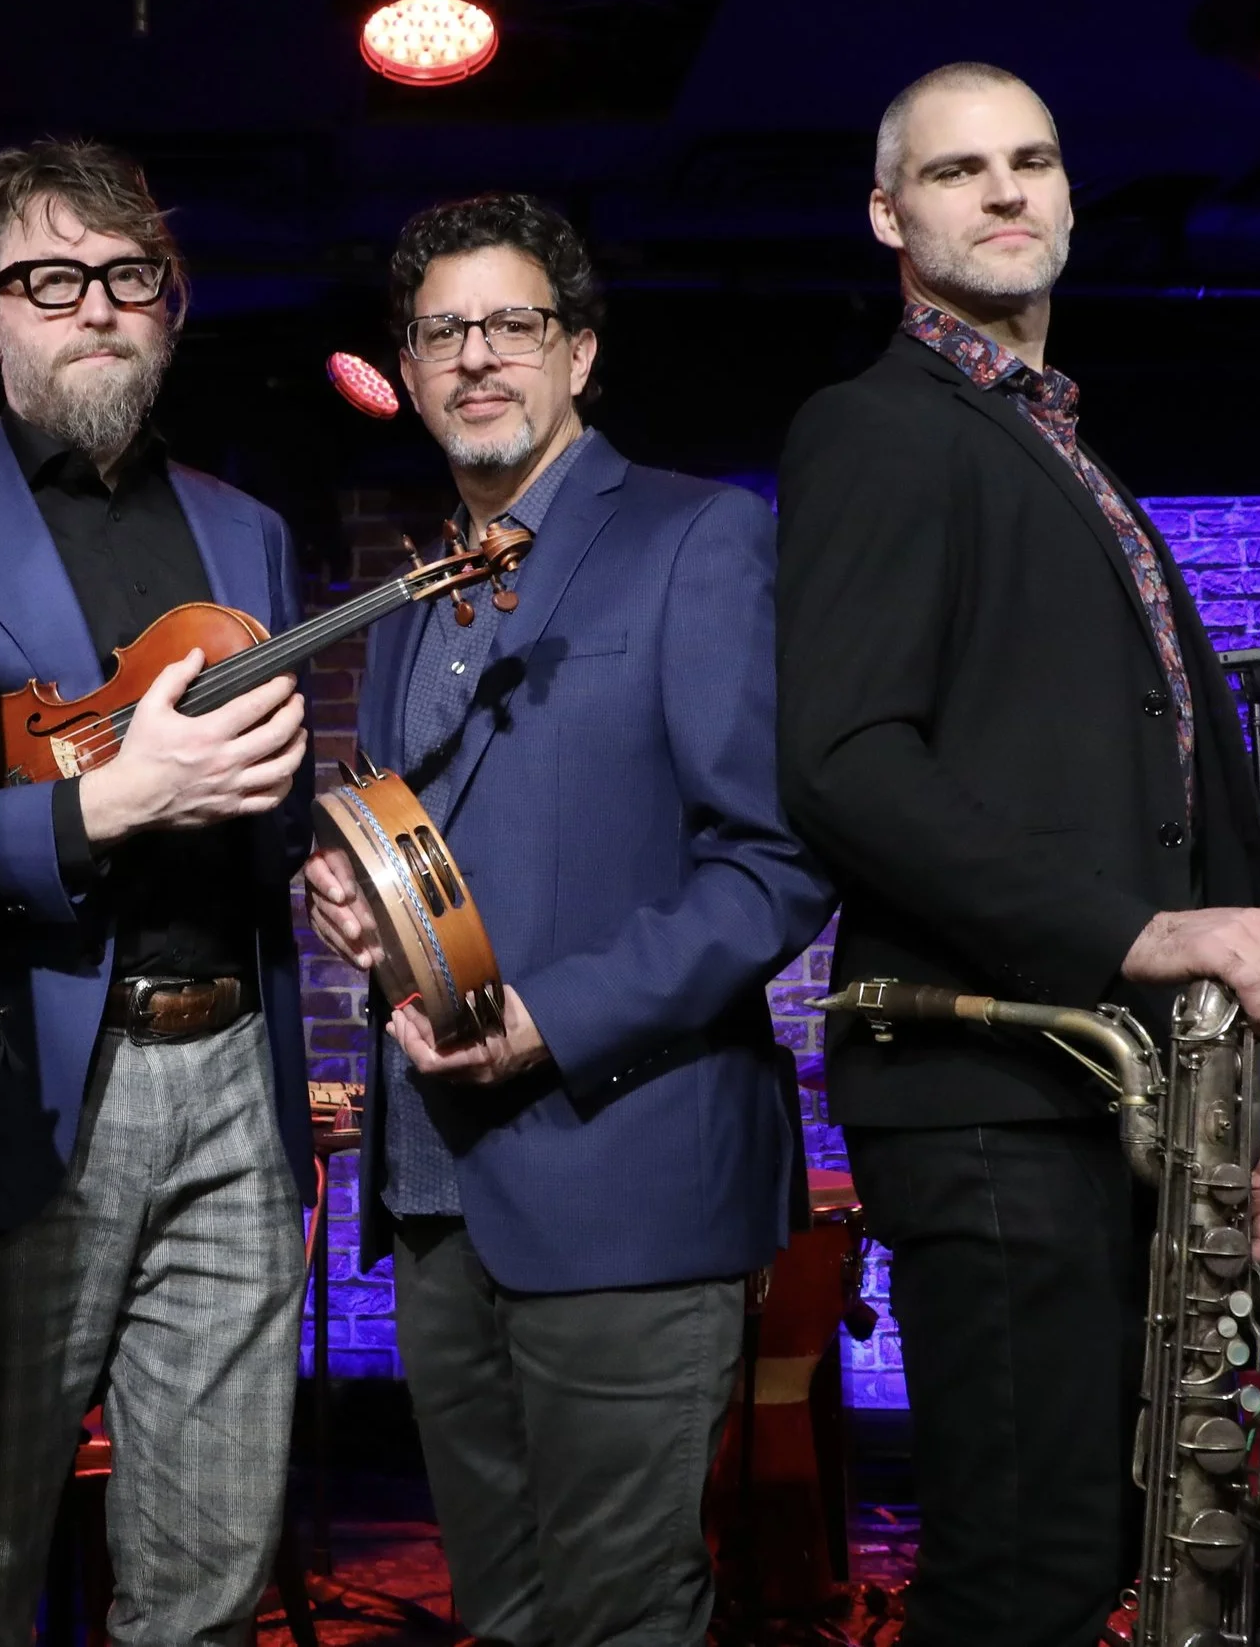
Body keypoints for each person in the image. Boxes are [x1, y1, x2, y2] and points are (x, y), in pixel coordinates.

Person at [776, 61, 1260, 1647]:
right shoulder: (877, 428)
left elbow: (1178, 805)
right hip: (991, 1100)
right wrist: (1137, 935)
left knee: (1095, 1550)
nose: (1006, 189)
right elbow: (841, 766)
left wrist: (1242, 1135)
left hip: (1120, 1104)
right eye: (957, 170)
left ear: (1073, 195)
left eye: (1031, 158)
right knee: (1022, 1574)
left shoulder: (1070, 455)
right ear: (888, 215)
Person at [304, 191, 834, 1646]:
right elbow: (446, 858)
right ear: (408, 373)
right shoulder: (411, 599)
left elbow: (775, 861)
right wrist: (367, 908)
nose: (477, 355)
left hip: (629, 1181)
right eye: (442, 333)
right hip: (435, 1200)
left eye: (513, 324)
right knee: (501, 1613)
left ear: (580, 352)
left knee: (623, 1614)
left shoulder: (696, 536)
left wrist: (552, 1018)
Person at [0, 139, 314, 1647]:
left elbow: (267, 809)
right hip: (27, 1084)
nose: (98, 307)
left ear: (170, 305)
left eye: (131, 276)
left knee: (210, 1579)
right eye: (53, 279)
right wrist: (102, 807)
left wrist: (321, 863)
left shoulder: (248, 528)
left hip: (237, 1076)